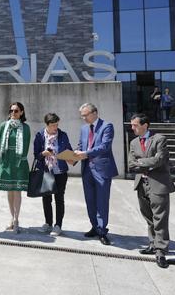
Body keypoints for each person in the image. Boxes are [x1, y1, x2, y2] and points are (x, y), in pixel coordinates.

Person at [128, 113, 175, 269]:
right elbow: (130, 164)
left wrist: (140, 162)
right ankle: (152, 244)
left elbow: (160, 159)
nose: (132, 128)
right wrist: (146, 163)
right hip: (141, 184)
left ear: (145, 125)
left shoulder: (159, 139)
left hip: (158, 184)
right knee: (148, 216)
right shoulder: (134, 142)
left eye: (135, 125)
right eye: (132, 125)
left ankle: (161, 251)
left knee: (160, 218)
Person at [74, 103, 117, 246]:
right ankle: (94, 226)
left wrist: (85, 153)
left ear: (95, 113)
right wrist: (74, 153)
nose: (83, 118)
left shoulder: (107, 126)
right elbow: (81, 145)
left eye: (85, 115)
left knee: (102, 201)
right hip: (87, 169)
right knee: (90, 200)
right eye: (82, 116)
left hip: (102, 170)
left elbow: (105, 146)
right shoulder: (84, 129)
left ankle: (102, 231)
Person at [33, 113, 73, 236]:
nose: (55, 127)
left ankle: (58, 225)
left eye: (57, 124)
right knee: (46, 198)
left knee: (59, 199)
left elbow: (69, 151)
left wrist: (71, 157)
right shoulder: (40, 135)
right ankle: (48, 223)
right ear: (47, 125)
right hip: (46, 171)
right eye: (53, 125)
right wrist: (43, 154)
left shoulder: (63, 135)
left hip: (60, 172)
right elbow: (36, 155)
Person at [0, 102, 30, 234]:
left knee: (17, 191)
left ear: (21, 112)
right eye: (11, 111)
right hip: (6, 161)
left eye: (16, 111)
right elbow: (0, 143)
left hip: (19, 162)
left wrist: (20, 161)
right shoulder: (3, 126)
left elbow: (26, 145)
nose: (13, 113)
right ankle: (11, 217)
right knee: (9, 191)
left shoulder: (25, 128)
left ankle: (16, 219)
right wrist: (4, 161)